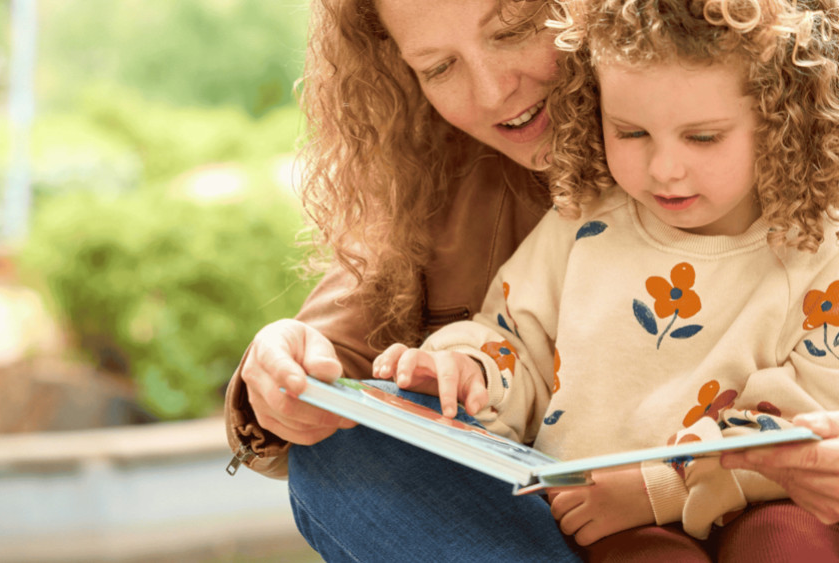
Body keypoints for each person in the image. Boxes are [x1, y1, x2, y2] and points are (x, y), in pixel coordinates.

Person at [373, 0, 839, 558]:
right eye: (632, 132)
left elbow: (804, 429)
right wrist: (466, 367)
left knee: (791, 543)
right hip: (606, 517)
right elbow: (516, 343)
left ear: (778, 119)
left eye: (703, 138)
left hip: (759, 503)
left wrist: (661, 487)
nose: (664, 168)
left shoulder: (816, 244)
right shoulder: (584, 220)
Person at [225, 0, 584, 560]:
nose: (492, 92)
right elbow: (329, 345)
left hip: (714, 488)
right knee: (342, 455)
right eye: (439, 68)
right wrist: (279, 370)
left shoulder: (740, 104)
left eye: (513, 31)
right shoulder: (436, 170)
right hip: (533, 521)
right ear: (401, 72)